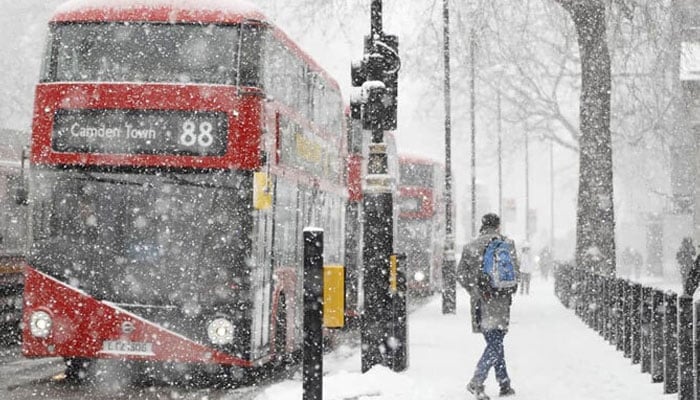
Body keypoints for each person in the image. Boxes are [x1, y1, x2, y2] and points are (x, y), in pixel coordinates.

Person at [458, 213, 519, 399]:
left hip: (480, 302)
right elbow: (516, 271)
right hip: (501, 301)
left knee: (494, 342)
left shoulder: (470, 247)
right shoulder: (507, 244)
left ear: (482, 226)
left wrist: (475, 290)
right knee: (496, 342)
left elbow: (460, 274)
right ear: (498, 226)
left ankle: (503, 383)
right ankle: (478, 382)